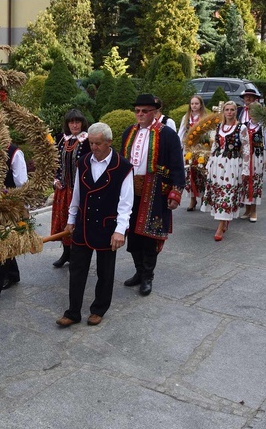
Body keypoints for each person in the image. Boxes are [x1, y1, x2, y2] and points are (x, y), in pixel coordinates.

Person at [56, 123, 133, 327]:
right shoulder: (83, 162)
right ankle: (73, 312)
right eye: (91, 143)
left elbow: (126, 204)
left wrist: (120, 230)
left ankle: (99, 309)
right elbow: (77, 194)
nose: (94, 147)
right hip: (83, 223)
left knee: (105, 271)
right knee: (77, 269)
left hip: (108, 226)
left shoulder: (123, 166)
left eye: (98, 143)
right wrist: (71, 220)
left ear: (108, 142)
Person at [120, 94, 185, 295]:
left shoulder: (167, 134)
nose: (140, 114)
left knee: (150, 235)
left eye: (144, 111)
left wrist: (176, 192)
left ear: (154, 112)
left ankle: (148, 276)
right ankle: (139, 271)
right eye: (137, 111)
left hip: (155, 190)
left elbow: (177, 165)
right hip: (131, 191)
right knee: (132, 233)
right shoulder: (129, 132)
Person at [0, 142, 27, 304]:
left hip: (9, 206)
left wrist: (22, 207)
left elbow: (22, 182)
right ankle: (13, 274)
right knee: (0, 240)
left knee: (3, 243)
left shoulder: (14, 152)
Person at [203, 101, 250, 241]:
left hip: (232, 163)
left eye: (232, 110)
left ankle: (221, 225)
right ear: (223, 112)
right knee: (218, 192)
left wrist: (246, 169)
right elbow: (214, 147)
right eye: (227, 110)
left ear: (236, 111)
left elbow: (246, 149)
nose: (229, 112)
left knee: (227, 192)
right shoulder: (219, 127)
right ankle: (223, 221)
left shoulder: (241, 128)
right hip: (218, 163)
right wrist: (209, 164)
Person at [50, 109, 90, 268]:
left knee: (76, 221)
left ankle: (76, 254)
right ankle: (66, 253)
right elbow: (54, 163)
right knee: (63, 221)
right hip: (63, 190)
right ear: (67, 124)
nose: (74, 125)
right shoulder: (61, 139)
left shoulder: (87, 141)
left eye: (77, 122)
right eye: (71, 122)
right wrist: (55, 180)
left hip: (79, 190)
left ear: (82, 123)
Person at [237, 88, 266, 222]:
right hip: (245, 158)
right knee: (245, 182)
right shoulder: (244, 125)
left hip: (257, 157)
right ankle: (246, 209)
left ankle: (254, 211)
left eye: (256, 112)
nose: (253, 115)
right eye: (251, 112)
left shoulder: (263, 126)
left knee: (256, 182)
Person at [177, 95, 210, 212]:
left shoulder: (205, 118)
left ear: (201, 105)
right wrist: (179, 147)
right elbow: (181, 133)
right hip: (189, 149)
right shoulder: (186, 118)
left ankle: (202, 198)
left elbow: (210, 133)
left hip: (201, 149)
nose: (194, 106)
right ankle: (192, 199)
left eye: (196, 103)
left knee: (201, 173)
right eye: (192, 104)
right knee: (190, 173)